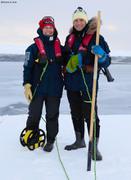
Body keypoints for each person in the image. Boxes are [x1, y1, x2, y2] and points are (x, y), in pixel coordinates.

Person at [63, 7, 111, 160]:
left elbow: (107, 61)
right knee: (75, 113)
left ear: (85, 21)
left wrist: (102, 55)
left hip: (88, 83)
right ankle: (79, 141)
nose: (78, 23)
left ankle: (94, 146)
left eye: (81, 20)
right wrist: (68, 64)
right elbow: (64, 59)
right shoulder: (69, 38)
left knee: (90, 115)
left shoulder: (97, 37)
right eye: (75, 20)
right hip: (71, 84)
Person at [22, 16, 64, 152]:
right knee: (34, 114)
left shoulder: (61, 49)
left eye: (51, 27)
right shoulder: (32, 48)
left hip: (55, 89)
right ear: (41, 29)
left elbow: (71, 61)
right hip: (37, 89)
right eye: (46, 27)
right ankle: (31, 135)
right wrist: (27, 85)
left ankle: (50, 140)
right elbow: (27, 68)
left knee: (52, 115)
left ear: (54, 29)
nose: (48, 30)